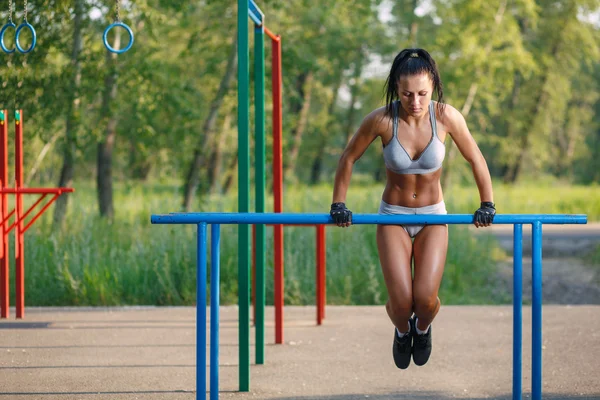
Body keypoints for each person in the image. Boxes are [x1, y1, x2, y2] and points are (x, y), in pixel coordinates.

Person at [329, 48, 495, 369]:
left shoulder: (446, 116)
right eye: (407, 94)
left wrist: (486, 203)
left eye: (422, 93)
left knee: (426, 300)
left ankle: (423, 327)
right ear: (396, 87)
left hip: (433, 216)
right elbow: (348, 157)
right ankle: (403, 330)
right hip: (393, 216)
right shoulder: (381, 119)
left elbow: (475, 157)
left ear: (432, 86)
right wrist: (339, 203)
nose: (415, 102)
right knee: (403, 303)